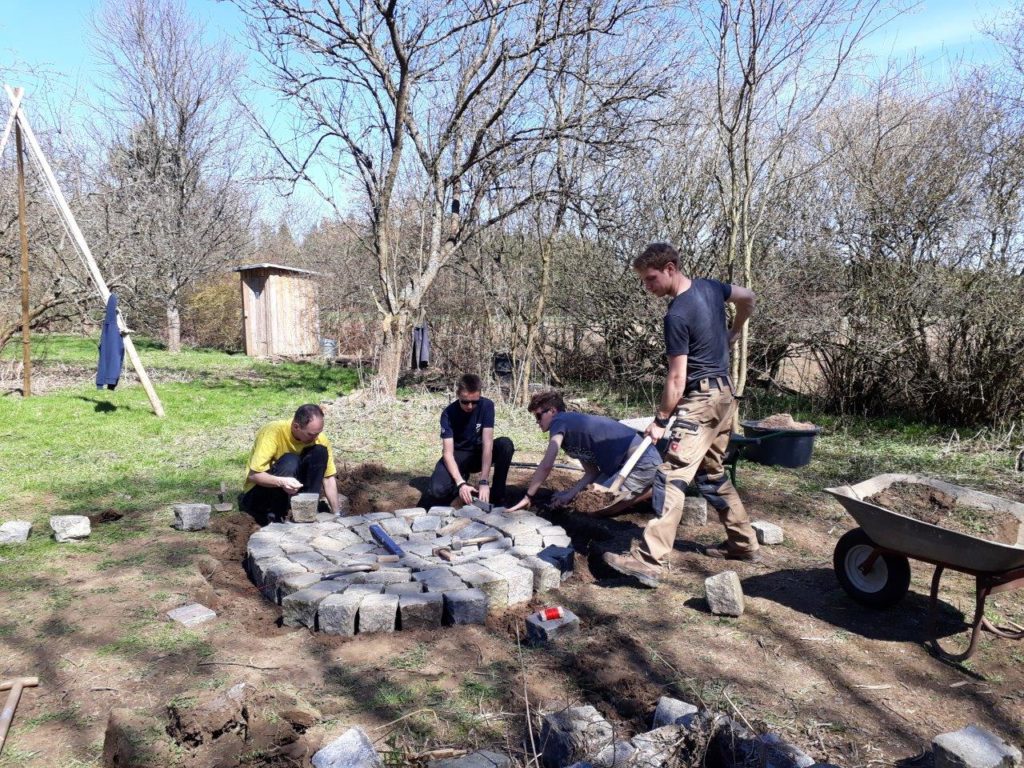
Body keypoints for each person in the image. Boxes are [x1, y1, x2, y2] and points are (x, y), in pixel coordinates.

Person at [603, 242, 760, 588]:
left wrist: (660, 420)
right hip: (725, 396)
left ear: (671, 268)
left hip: (701, 400)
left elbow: (676, 378)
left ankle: (649, 560)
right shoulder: (711, 288)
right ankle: (743, 543)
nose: (648, 286)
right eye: (644, 280)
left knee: (671, 474)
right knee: (713, 472)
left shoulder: (676, 315)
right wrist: (735, 329)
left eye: (651, 278)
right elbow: (748, 297)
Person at [507, 390, 662, 513]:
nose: (537, 422)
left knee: (597, 506)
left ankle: (653, 490)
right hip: (624, 465)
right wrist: (569, 495)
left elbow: (547, 465)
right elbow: (591, 473)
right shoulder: (571, 433)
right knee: (584, 498)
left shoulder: (559, 421)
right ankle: (640, 488)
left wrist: (528, 496)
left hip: (640, 460)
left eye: (539, 416)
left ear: (552, 411)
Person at [240, 403, 343, 525]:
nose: (316, 437)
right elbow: (253, 475)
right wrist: (282, 481)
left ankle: (306, 510)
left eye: (318, 433)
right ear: (296, 426)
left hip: (290, 492)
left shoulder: (319, 439)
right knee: (290, 460)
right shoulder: (273, 432)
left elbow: (328, 478)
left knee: (319, 452)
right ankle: (275, 517)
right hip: (260, 496)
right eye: (311, 434)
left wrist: (337, 514)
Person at [427, 374, 515, 506]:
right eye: (465, 401)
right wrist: (460, 483)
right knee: (436, 491)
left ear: (480, 395)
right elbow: (447, 453)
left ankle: (497, 496)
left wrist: (484, 480)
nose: (469, 406)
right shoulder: (448, 414)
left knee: (505, 444)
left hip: (478, 454)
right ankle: (462, 490)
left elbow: (488, 444)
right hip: (458, 455)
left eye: (475, 402)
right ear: (458, 395)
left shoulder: (487, 406)